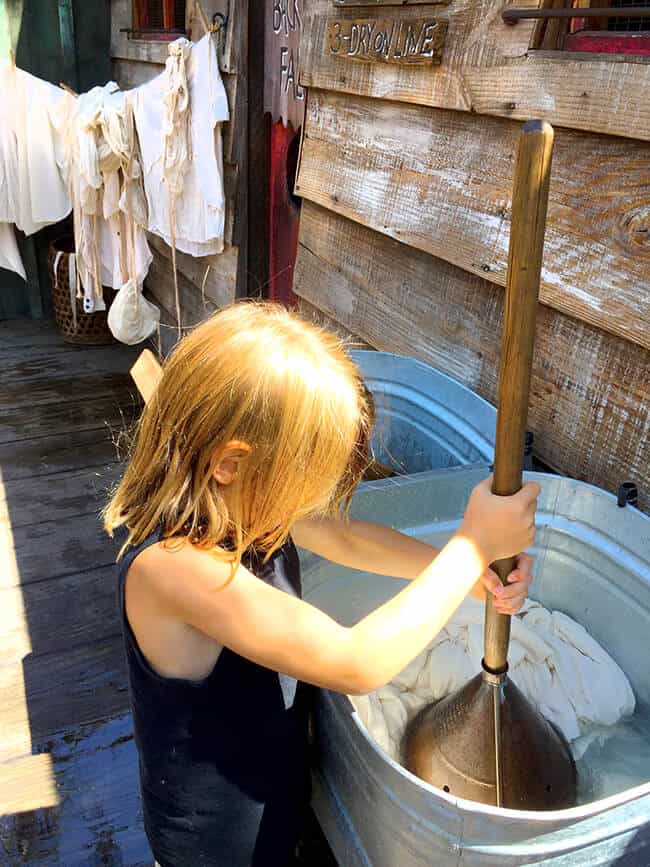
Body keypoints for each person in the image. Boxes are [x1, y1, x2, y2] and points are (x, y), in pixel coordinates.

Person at [103, 302, 538, 867]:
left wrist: (468, 578)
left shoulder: (244, 505)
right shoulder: (172, 569)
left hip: (269, 789)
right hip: (214, 843)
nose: (314, 499)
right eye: (307, 477)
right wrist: (472, 545)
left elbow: (351, 541)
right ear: (232, 463)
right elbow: (356, 662)